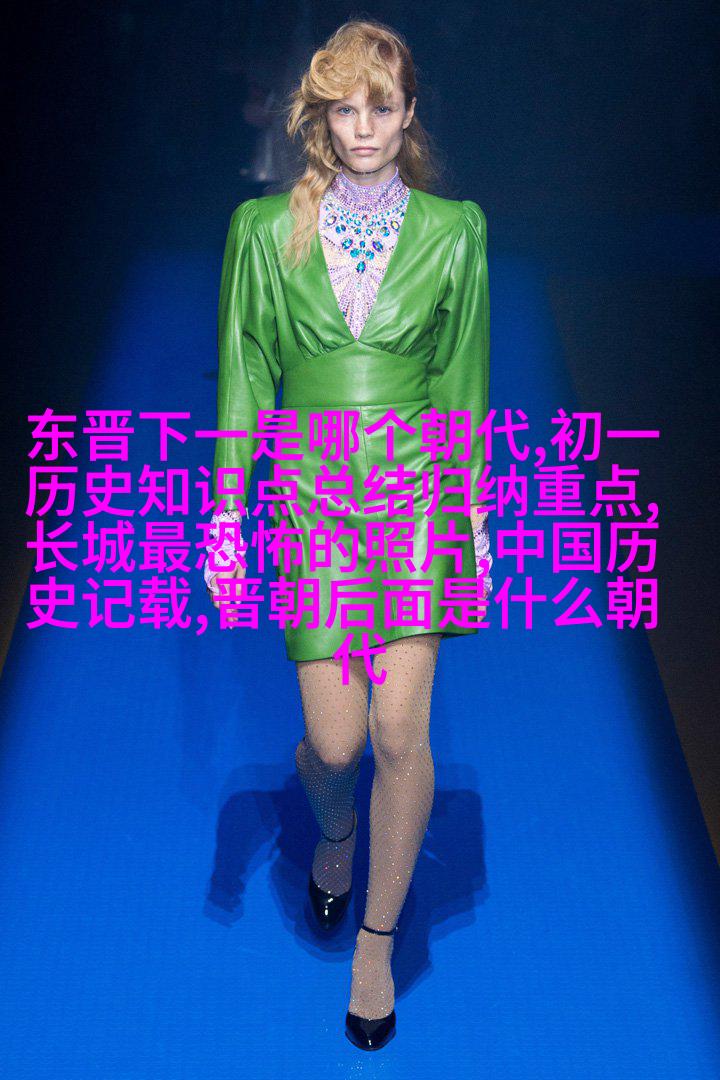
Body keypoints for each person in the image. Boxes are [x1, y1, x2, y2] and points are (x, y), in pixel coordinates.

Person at [202, 18, 492, 1051]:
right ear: (320, 116)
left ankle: (375, 943)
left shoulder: (456, 231)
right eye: (344, 106)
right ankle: (334, 827)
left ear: (409, 115)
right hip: (310, 500)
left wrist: (475, 514)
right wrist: (225, 514)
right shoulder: (262, 229)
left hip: (418, 502)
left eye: (382, 105)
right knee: (335, 746)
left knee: (400, 734)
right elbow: (245, 375)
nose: (362, 125)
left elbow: (461, 381)